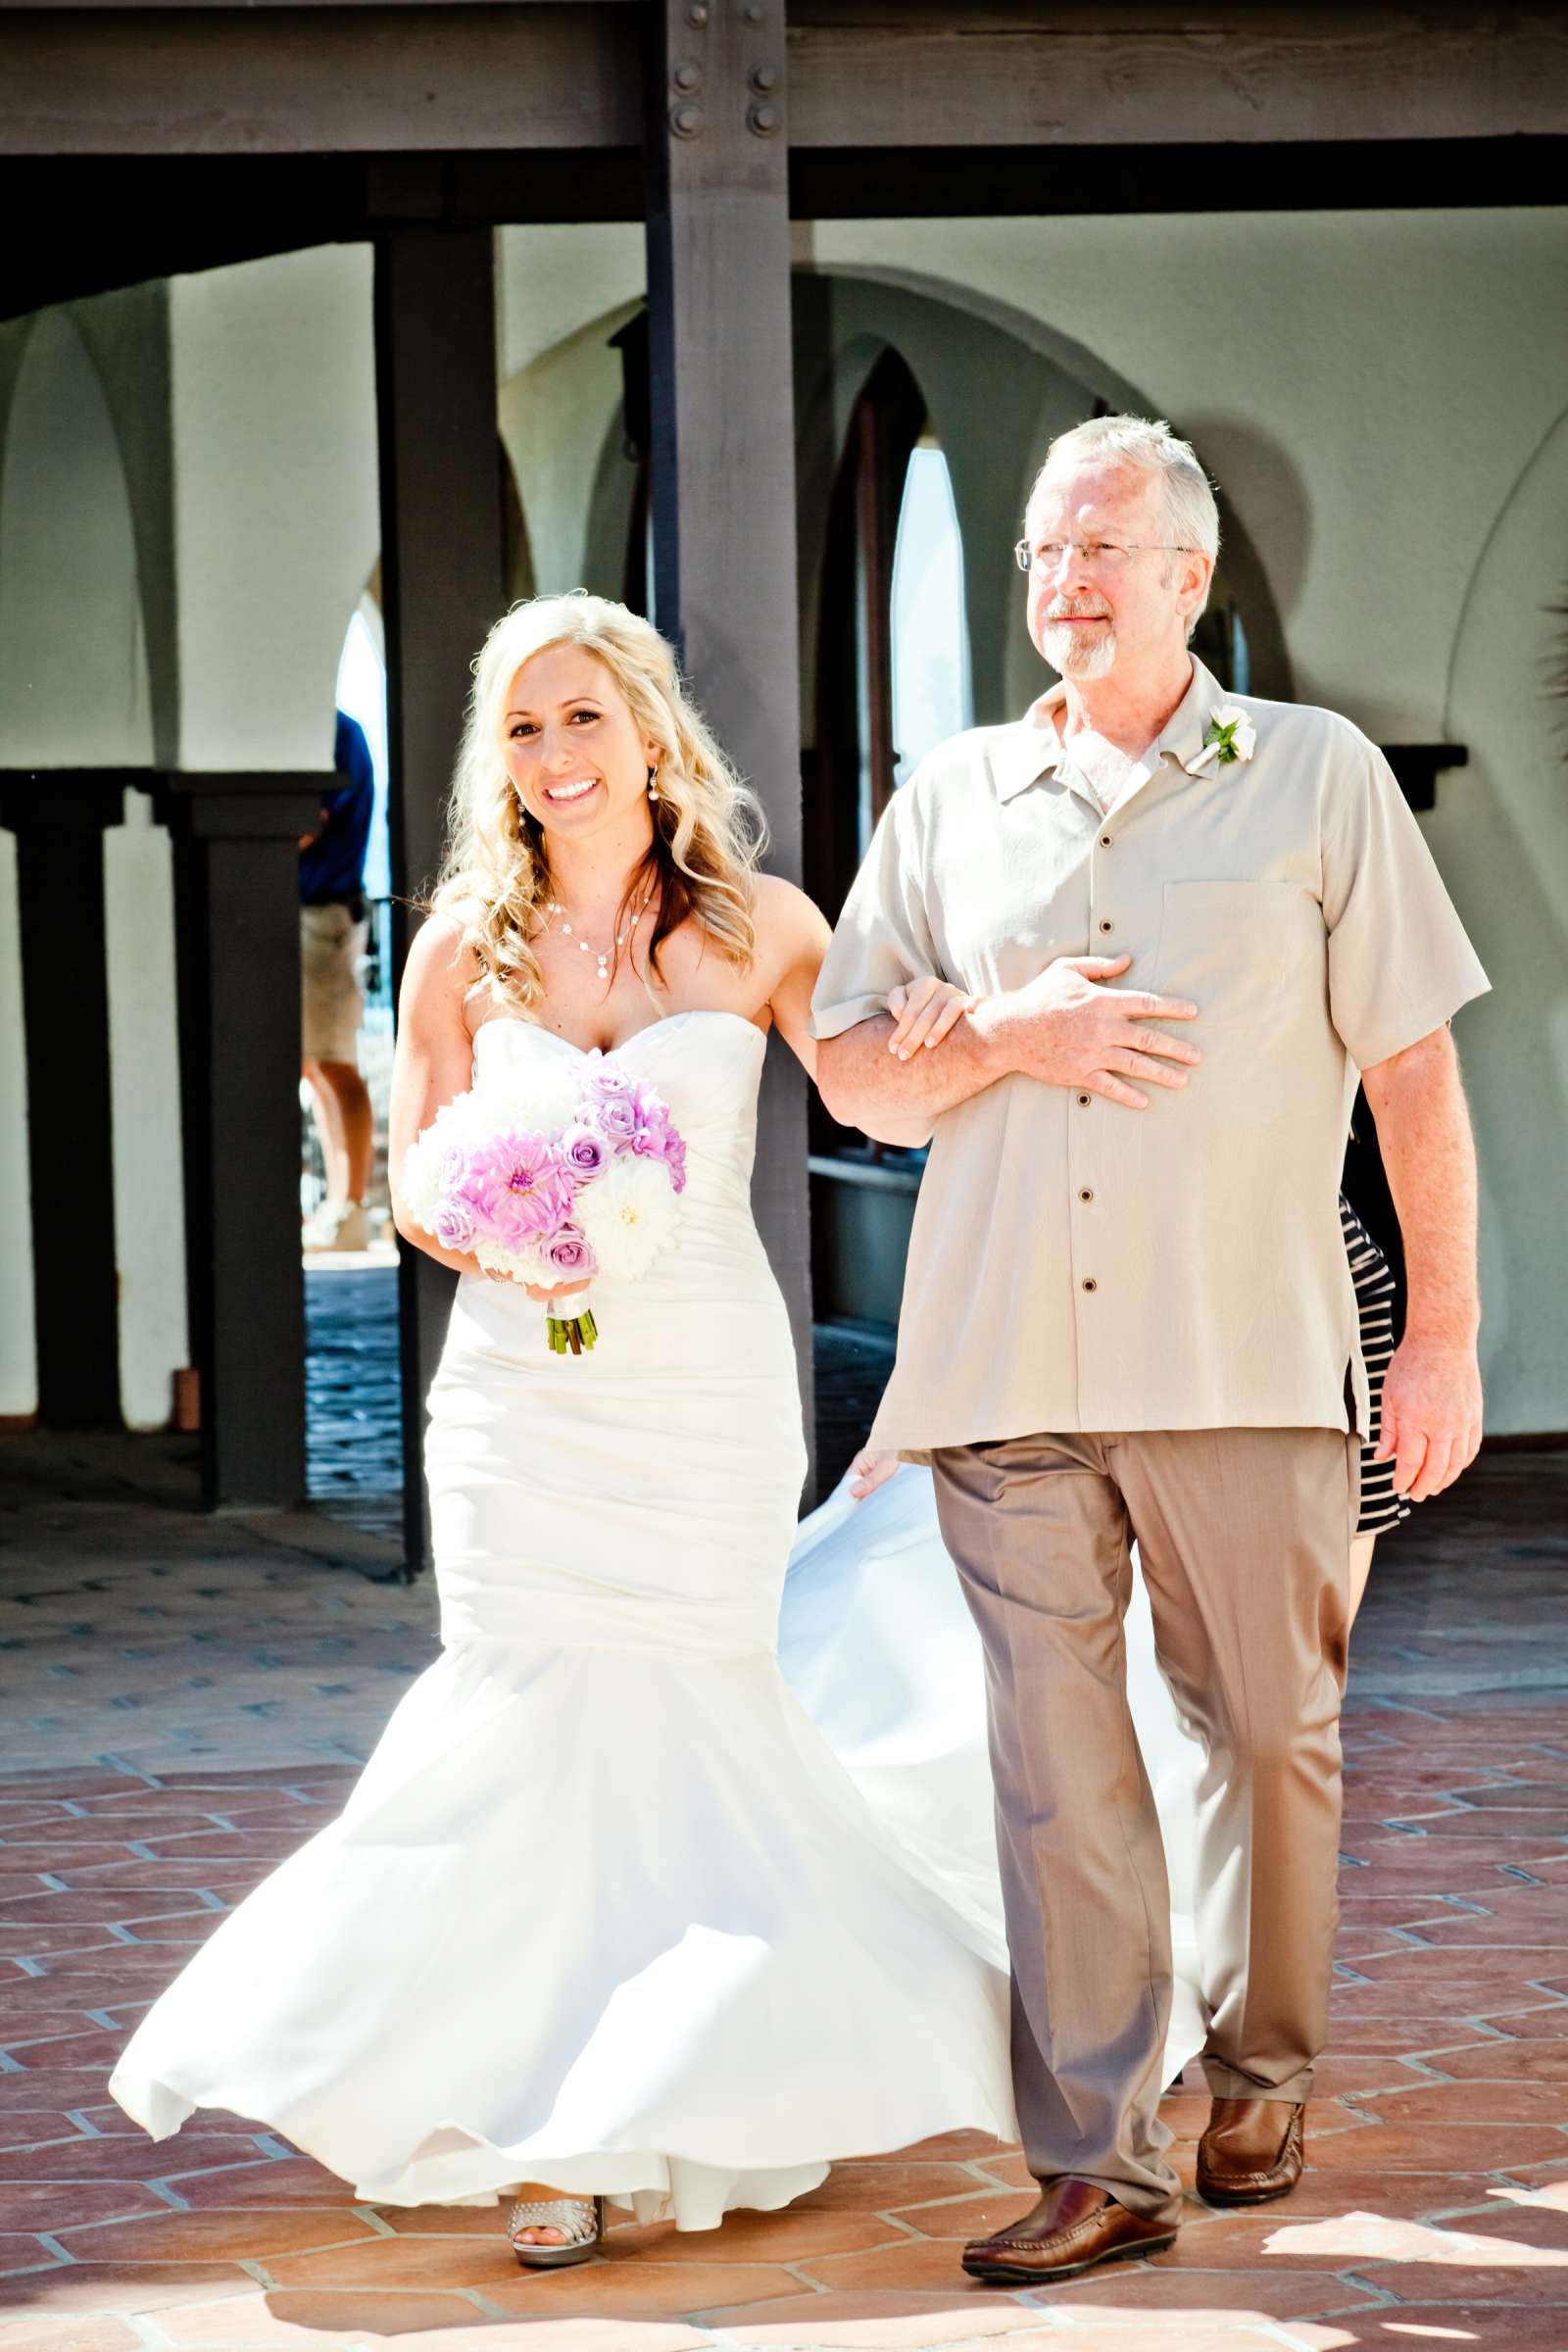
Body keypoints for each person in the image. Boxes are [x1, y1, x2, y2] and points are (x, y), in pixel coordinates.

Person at [105, 592, 1210, 2268]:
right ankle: (554, 2137)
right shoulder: (465, 944)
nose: (557, 757)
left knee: (685, 1719)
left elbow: (878, 1093)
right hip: (517, 1398)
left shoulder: (764, 926)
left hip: (696, 1387)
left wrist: (1016, 1034)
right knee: (523, 1729)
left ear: (650, 733)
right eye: (524, 730)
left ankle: (663, 2106)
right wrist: (507, 1226)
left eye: (584, 719)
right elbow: (411, 1178)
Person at [811, 413, 1490, 2283]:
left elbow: (1414, 1073)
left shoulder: (1320, 777)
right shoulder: (947, 798)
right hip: (1005, 1368)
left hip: (1248, 1361)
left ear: (1192, 577)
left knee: (1272, 1739)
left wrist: (1440, 1340)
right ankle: (1099, 2157)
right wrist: (1003, 1035)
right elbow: (856, 1068)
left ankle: (1264, 2063)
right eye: (1043, 549)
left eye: (1105, 547)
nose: (1067, 580)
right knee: (1058, 1769)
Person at [300, 710, 376, 1251]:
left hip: (325, 916)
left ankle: (350, 1209)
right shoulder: (328, 729)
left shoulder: (334, 732)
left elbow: (301, 827)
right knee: (315, 1065)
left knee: (334, 1062)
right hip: (308, 911)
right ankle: (337, 1207)